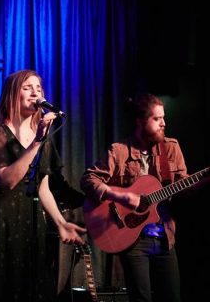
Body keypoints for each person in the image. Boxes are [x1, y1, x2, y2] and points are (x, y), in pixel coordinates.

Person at [0, 69, 86, 302]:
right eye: (28, 87)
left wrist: (61, 223)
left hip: (32, 222)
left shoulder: (42, 138)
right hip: (3, 221)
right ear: (13, 94)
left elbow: (42, 188)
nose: (35, 92)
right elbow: (9, 179)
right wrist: (37, 141)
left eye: (38, 88)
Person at [80, 93, 187, 302]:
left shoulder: (171, 148)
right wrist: (120, 197)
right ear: (140, 121)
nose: (163, 123)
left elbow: (184, 186)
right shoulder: (119, 151)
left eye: (163, 118)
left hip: (165, 238)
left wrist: (199, 182)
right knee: (141, 298)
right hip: (133, 239)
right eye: (157, 119)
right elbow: (88, 179)